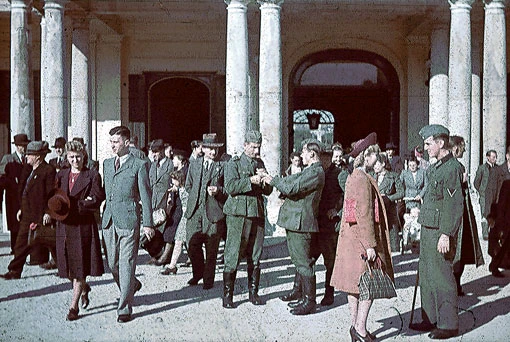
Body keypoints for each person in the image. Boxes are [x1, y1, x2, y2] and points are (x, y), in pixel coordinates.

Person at [330, 133, 393, 342]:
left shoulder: (352, 176)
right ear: (367, 156)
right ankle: (360, 329)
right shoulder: (363, 179)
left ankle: (355, 326)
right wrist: (370, 245)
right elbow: (364, 214)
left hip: (351, 239)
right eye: (375, 154)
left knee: (354, 285)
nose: (378, 157)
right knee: (369, 284)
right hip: (361, 241)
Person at [410, 124, 463, 340]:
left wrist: (446, 233)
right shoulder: (436, 167)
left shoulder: (451, 169)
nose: (425, 147)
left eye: (428, 143)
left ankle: (449, 323)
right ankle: (429, 317)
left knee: (441, 275)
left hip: (439, 230)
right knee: (427, 274)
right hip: (429, 228)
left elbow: (454, 204)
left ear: (441, 143)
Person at [263, 139, 325, 316]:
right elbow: (293, 180)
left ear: (311, 154)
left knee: (303, 262)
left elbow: (292, 187)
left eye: (303, 152)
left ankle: (309, 301)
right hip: (297, 221)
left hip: (301, 222)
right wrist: (274, 180)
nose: (301, 155)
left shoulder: (315, 172)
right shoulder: (311, 170)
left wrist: (273, 180)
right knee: (299, 259)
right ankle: (300, 294)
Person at [102, 126, 154, 323]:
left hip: (129, 220)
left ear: (126, 142)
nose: (113, 145)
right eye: (111, 142)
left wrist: (148, 224)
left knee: (126, 264)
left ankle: (124, 308)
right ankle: (131, 285)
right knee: (113, 263)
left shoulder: (139, 165)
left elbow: (146, 196)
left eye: (116, 141)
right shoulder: (107, 164)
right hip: (109, 221)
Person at [52, 140, 106, 321]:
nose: (75, 160)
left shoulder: (92, 175)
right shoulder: (61, 175)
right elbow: (53, 196)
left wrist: (78, 205)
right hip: (64, 226)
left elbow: (97, 197)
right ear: (67, 157)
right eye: (71, 157)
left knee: (80, 266)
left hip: (82, 226)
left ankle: (73, 307)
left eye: (78, 157)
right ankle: (84, 288)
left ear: (84, 156)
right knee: (67, 266)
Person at [221, 130, 273, 308]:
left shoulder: (260, 162)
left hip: (256, 213)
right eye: (253, 147)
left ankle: (254, 293)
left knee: (255, 254)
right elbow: (230, 187)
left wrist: (266, 180)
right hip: (238, 214)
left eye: (258, 147)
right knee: (233, 253)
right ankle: (228, 296)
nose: (257, 151)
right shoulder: (233, 163)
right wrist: (251, 180)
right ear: (245, 145)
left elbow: (268, 191)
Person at [0, 141, 57, 280]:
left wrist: (48, 212)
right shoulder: (30, 169)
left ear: (38, 156)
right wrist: (21, 208)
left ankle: (66, 268)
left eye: (30, 154)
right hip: (27, 213)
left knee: (52, 241)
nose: (27, 156)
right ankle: (14, 271)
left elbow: (51, 193)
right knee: (21, 243)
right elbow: (25, 191)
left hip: (39, 214)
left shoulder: (48, 170)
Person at [184, 133, 227, 290]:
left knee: (211, 247)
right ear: (203, 148)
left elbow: (228, 188)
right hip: (195, 211)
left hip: (213, 212)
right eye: (210, 149)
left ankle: (208, 280)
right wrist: (196, 197)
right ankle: (198, 273)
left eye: (216, 149)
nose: (213, 153)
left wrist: (218, 191)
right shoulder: (194, 164)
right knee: (191, 243)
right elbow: (188, 185)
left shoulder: (223, 166)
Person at [449, 136, 484, 296]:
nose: (464, 150)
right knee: (457, 252)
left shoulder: (457, 165)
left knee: (460, 253)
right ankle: (454, 284)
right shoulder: (456, 166)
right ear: (456, 148)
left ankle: (456, 283)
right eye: (462, 147)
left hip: (464, 216)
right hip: (458, 218)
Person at [313, 144, 344, 306]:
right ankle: (302, 294)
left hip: (330, 226)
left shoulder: (339, 174)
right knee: (308, 258)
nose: (324, 159)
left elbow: (350, 196)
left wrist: (338, 212)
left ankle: (329, 293)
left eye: (327, 157)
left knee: (330, 262)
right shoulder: (315, 172)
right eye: (321, 156)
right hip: (313, 223)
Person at [0, 133, 30, 254]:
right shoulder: (8, 159)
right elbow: (2, 177)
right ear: (17, 146)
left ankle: (25, 246)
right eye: (22, 146)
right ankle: (14, 247)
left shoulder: (28, 159)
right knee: (13, 222)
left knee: (25, 220)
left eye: (25, 145)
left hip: (25, 195)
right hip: (12, 195)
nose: (24, 148)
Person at [148, 139, 175, 266]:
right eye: (152, 152)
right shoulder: (153, 165)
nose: (154, 155)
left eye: (156, 152)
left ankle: (165, 256)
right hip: (153, 201)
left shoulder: (170, 164)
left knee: (165, 229)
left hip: (165, 200)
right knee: (155, 230)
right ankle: (157, 254)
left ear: (162, 151)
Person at [373, 153, 404, 252]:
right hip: (375, 212)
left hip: (389, 212)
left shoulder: (393, 176)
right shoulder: (372, 177)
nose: (374, 166)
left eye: (376, 164)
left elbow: (401, 192)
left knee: (389, 241)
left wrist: (388, 198)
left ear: (383, 164)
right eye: (373, 164)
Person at [161, 170, 188, 275]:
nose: (172, 181)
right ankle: (172, 265)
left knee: (180, 241)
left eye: (174, 179)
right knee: (180, 241)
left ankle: (172, 265)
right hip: (185, 218)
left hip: (186, 217)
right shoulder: (181, 189)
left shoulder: (183, 190)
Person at [474, 149, 499, 240]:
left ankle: (492, 233)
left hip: (494, 195)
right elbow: (476, 182)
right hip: (484, 196)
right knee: (485, 214)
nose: (495, 159)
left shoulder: (497, 168)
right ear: (488, 157)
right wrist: (481, 191)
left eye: (495, 157)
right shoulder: (482, 168)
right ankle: (485, 233)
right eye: (493, 157)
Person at [488, 179, 510, 277]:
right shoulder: (507, 184)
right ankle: (494, 266)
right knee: (502, 246)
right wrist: (501, 224)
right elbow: (501, 204)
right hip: (506, 221)